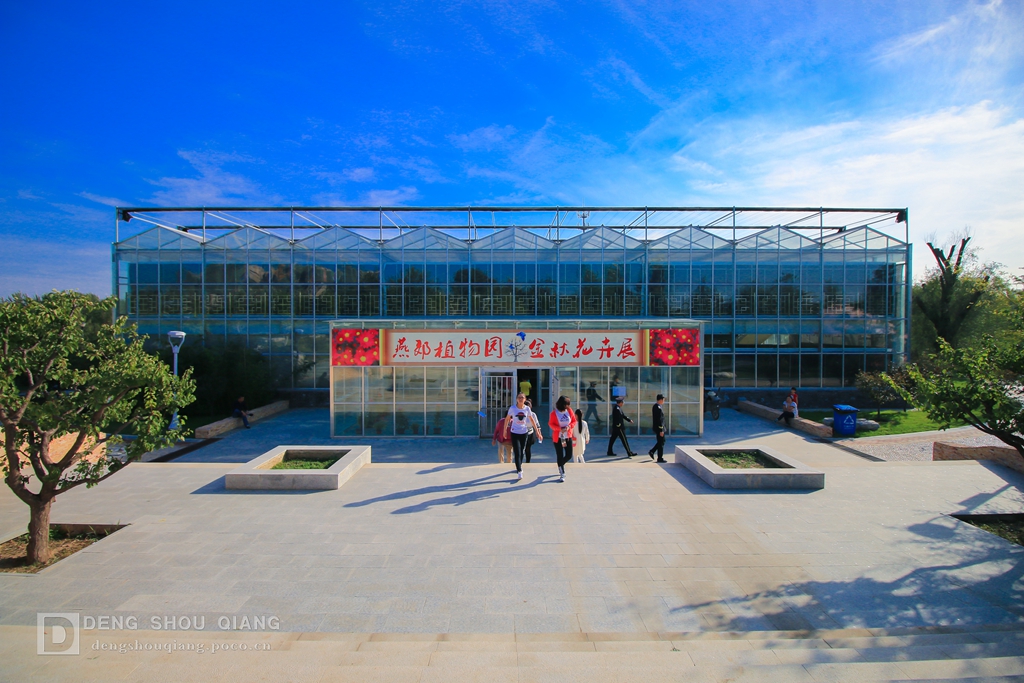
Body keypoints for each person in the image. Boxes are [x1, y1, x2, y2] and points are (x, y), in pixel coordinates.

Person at [504, 392, 542, 480]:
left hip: (524, 433)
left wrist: (538, 432)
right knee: (517, 452)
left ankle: (519, 465)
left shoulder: (527, 409)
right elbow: (507, 419)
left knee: (522, 452)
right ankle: (519, 470)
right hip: (514, 432)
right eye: (519, 397)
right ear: (516, 399)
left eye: (522, 397)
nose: (520, 399)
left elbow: (532, 420)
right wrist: (505, 431)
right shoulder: (512, 408)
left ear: (525, 399)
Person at [549, 396, 577, 482]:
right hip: (558, 437)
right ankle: (562, 472)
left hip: (567, 436)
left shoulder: (569, 411)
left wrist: (569, 426)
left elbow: (574, 421)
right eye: (567, 404)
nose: (568, 406)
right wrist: (559, 429)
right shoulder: (554, 413)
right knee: (559, 455)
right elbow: (551, 424)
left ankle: (560, 464)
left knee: (569, 455)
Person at [648, 394, 666, 463]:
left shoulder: (658, 406)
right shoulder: (657, 407)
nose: (664, 401)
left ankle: (652, 451)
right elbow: (659, 420)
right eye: (663, 399)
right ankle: (660, 458)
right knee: (661, 442)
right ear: (660, 400)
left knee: (661, 441)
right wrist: (661, 430)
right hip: (659, 429)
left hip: (659, 428)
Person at [524, 398, 537, 463]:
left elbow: (536, 424)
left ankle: (527, 461)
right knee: (521, 448)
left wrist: (538, 432)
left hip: (530, 433)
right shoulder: (521, 413)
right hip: (522, 432)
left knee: (528, 448)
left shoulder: (533, 414)